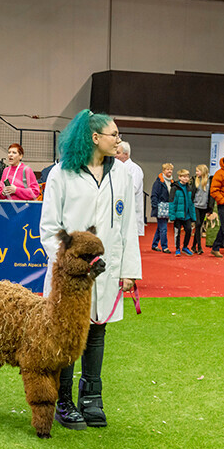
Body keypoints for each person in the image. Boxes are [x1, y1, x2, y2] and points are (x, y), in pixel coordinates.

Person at [40, 109, 141, 430]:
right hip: (71, 273)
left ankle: (91, 398)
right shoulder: (61, 173)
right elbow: (49, 227)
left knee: (97, 331)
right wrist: (68, 264)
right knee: (68, 333)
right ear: (95, 138)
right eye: (114, 134)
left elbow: (127, 226)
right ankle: (65, 400)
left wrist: (129, 271)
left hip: (106, 270)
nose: (118, 140)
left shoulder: (123, 174)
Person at [115, 141, 145, 236]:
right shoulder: (116, 168)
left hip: (131, 212)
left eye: (118, 153)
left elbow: (133, 189)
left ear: (126, 154)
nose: (115, 155)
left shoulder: (134, 169)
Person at [168, 169, 195, 256]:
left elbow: (191, 203)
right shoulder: (174, 188)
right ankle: (177, 249)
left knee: (188, 230)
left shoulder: (189, 188)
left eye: (187, 176)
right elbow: (172, 202)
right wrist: (172, 216)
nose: (186, 178)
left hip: (187, 215)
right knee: (177, 233)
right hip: (177, 215)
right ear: (179, 177)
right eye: (183, 176)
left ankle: (185, 247)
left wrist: (193, 216)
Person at [150, 163, 174, 253]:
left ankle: (154, 245)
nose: (169, 171)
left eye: (171, 169)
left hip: (168, 208)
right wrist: (155, 206)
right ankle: (165, 247)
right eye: (167, 169)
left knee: (160, 228)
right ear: (163, 171)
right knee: (163, 228)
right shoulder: (158, 182)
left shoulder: (172, 182)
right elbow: (154, 195)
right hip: (160, 208)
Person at [192, 164, 215, 254]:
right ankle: (199, 247)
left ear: (203, 171)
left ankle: (194, 246)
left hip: (204, 207)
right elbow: (192, 194)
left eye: (198, 171)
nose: (196, 173)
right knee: (197, 224)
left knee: (199, 226)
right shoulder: (195, 180)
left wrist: (210, 209)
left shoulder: (210, 181)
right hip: (196, 206)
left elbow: (211, 196)